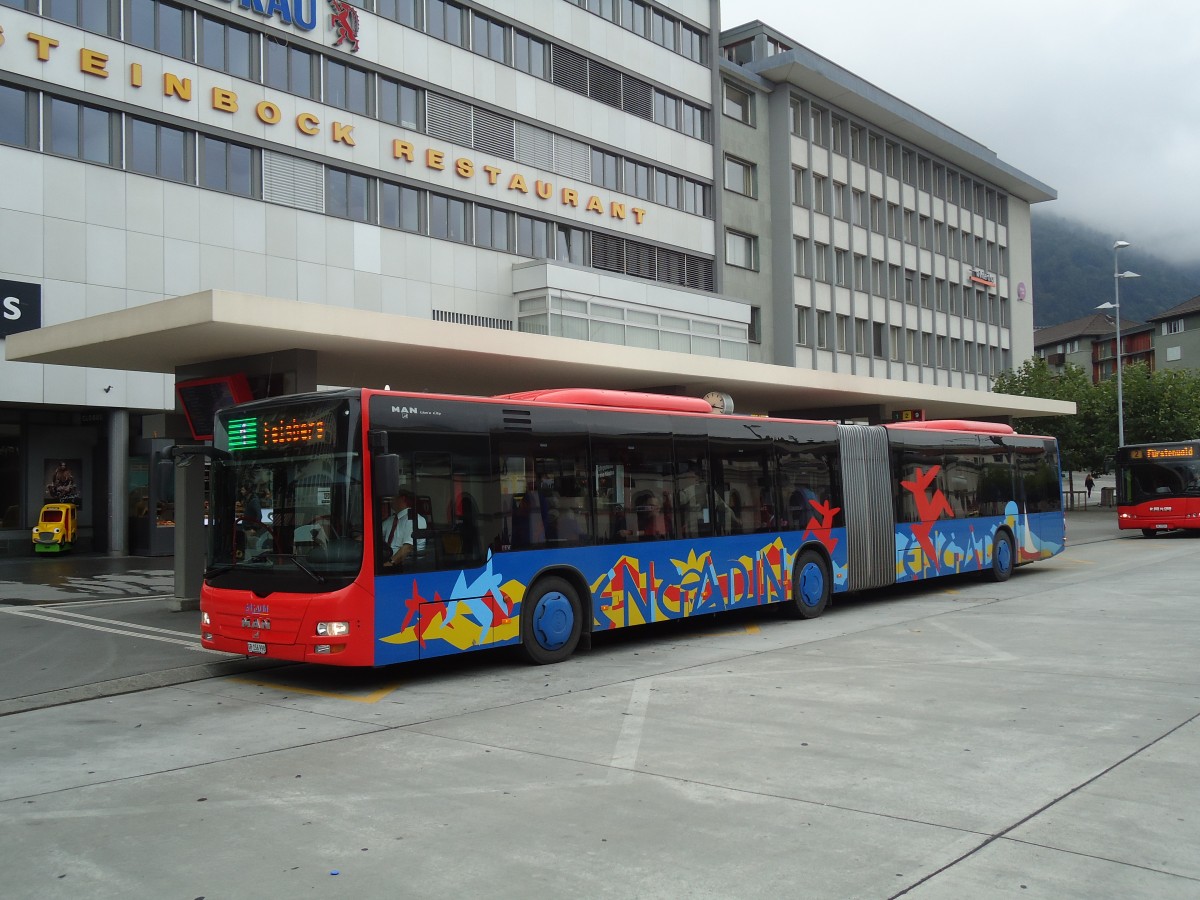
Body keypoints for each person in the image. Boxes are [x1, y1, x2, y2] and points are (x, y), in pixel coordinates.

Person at [382, 490, 427, 568]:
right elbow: (372, 534)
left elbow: (408, 548)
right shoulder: (391, 519)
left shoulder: (415, 519)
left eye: (393, 497)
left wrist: (390, 563)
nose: (390, 500)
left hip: (404, 565)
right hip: (386, 558)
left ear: (402, 499)